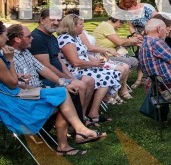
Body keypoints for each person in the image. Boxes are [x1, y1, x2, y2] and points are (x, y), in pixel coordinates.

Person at [0, 22, 105, 155]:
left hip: (29, 90)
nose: (6, 38)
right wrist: (11, 62)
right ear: (17, 39)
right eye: (28, 36)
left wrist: (63, 82)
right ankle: (76, 134)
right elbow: (13, 84)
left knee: (68, 92)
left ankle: (74, 135)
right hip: (18, 95)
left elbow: (42, 69)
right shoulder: (7, 55)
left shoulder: (24, 52)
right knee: (63, 94)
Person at [57, 14, 122, 125]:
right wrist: (93, 63)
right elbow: (75, 62)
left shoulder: (75, 37)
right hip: (74, 71)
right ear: (73, 26)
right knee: (106, 76)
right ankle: (88, 114)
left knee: (112, 73)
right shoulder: (65, 39)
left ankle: (91, 112)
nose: (83, 27)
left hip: (85, 66)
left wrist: (98, 62)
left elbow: (84, 54)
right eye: (81, 24)